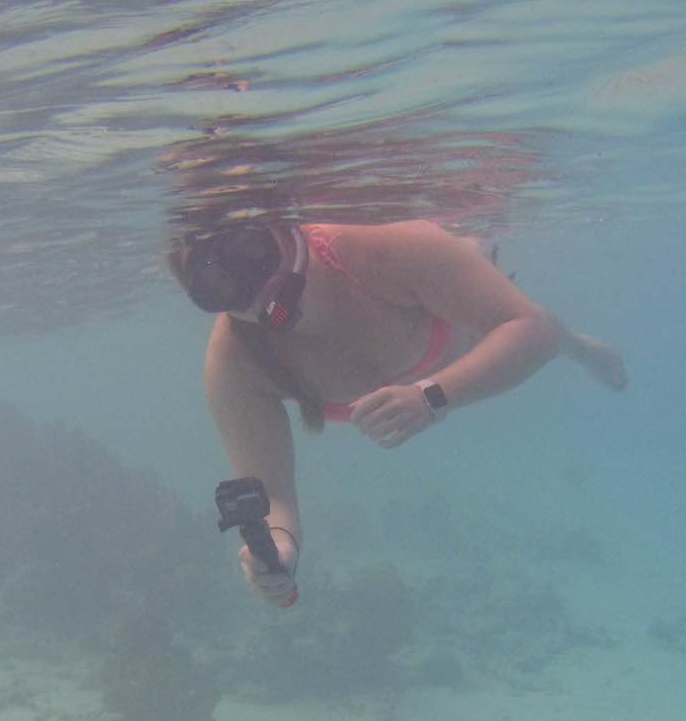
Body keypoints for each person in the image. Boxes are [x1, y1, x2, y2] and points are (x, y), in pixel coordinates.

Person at [168, 219, 627, 608]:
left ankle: (582, 348)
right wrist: (281, 549)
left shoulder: (376, 252)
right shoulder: (235, 364)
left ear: (277, 224)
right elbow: (275, 500)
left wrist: (431, 398)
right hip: (433, 345)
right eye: (215, 285)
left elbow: (530, 332)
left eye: (252, 251)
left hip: (461, 335)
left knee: (521, 312)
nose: (253, 287)